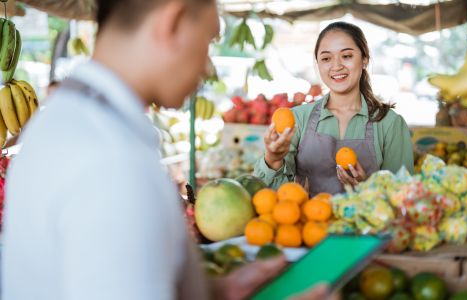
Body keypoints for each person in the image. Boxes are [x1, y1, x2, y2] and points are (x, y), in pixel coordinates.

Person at [2, 0, 336, 299]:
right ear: (172, 22)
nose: (207, 68)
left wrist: (219, 291)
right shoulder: (110, 161)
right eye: (207, 42)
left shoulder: (69, 120)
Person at [255, 22, 414, 196]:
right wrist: (273, 158)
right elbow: (273, 197)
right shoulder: (298, 119)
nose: (336, 66)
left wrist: (367, 189)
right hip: (308, 222)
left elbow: (404, 196)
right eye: (326, 58)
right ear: (318, 64)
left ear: (364, 59)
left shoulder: (390, 124)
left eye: (346, 56)